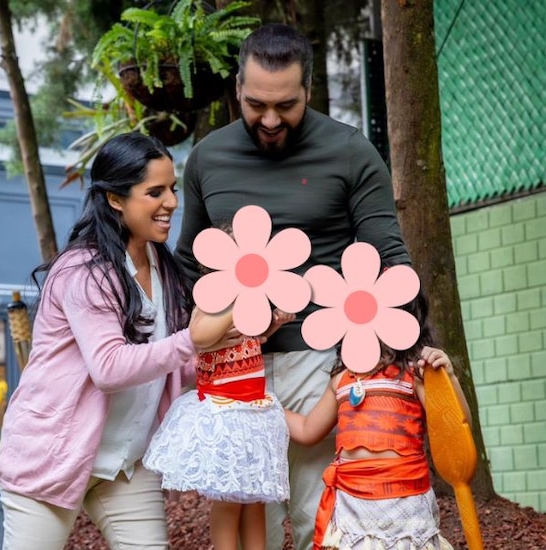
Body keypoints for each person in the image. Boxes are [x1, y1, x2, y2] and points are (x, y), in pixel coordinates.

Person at [173, 23, 412, 549]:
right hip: (234, 369)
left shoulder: (349, 151)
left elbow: (389, 259)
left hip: (316, 357)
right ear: (238, 88)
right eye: (256, 104)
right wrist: (199, 348)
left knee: (314, 519)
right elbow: (189, 264)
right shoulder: (207, 157)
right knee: (249, 525)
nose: (270, 119)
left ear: (308, 89)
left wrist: (397, 352)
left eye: (286, 105)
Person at [0, 132, 233, 550]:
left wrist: (239, 339)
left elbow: (170, 366)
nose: (171, 202)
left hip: (124, 462)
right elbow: (109, 368)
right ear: (115, 199)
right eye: (154, 192)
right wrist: (193, 340)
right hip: (51, 456)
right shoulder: (83, 270)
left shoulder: (162, 266)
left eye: (172, 189)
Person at [285, 291, 467, 550]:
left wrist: (450, 378)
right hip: (353, 505)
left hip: (406, 501)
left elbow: (455, 426)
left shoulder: (414, 373)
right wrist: (268, 405)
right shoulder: (342, 378)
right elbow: (307, 430)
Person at [144, 289, 294, 550]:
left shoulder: (245, 303)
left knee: (254, 499)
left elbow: (254, 335)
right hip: (225, 414)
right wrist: (239, 300)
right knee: (229, 500)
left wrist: (274, 323)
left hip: (252, 411)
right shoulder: (211, 303)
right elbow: (199, 336)